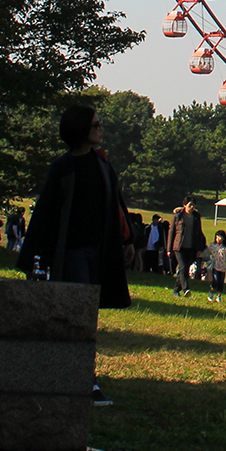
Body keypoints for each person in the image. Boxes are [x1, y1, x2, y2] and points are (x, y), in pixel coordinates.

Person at [17, 105, 135, 407]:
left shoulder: (102, 163)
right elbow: (45, 213)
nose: (101, 128)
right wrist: (32, 257)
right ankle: (85, 379)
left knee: (84, 315)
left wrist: (127, 239)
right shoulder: (64, 167)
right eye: (97, 124)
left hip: (100, 250)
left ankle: (73, 372)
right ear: (82, 129)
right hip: (71, 252)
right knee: (79, 315)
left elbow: (116, 204)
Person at [170, 199, 206, 297]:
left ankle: (176, 290)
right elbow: (172, 232)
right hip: (179, 247)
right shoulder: (178, 216)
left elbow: (199, 233)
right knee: (182, 267)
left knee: (185, 270)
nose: (192, 207)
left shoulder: (196, 217)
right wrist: (169, 249)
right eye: (190, 205)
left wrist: (200, 249)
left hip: (191, 248)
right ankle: (186, 289)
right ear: (184, 205)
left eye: (193, 205)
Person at [207, 229, 226, 303]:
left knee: (221, 282)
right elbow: (208, 252)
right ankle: (211, 293)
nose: (218, 239)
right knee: (216, 280)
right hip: (215, 266)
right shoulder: (213, 246)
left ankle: (219, 296)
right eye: (216, 238)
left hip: (223, 267)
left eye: (219, 238)